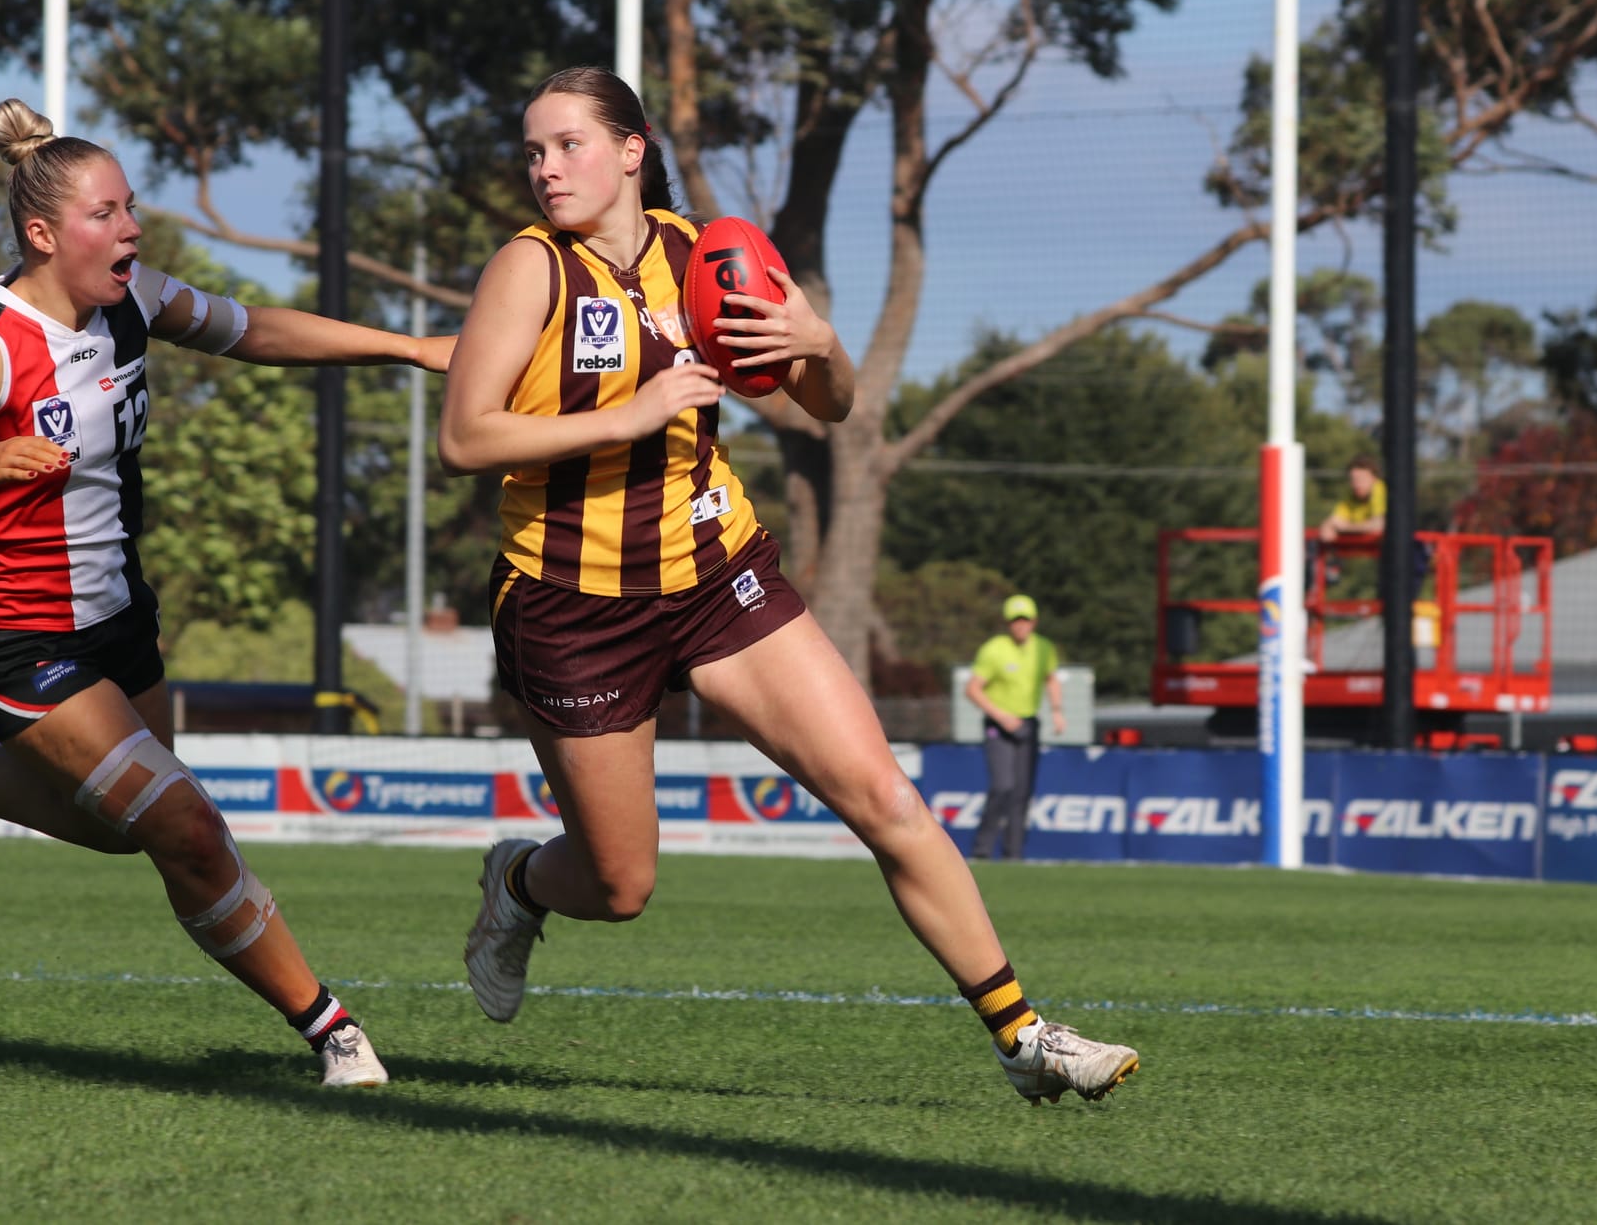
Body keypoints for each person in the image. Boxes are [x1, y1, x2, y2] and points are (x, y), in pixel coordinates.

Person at [436, 65, 1138, 1105]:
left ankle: (1024, 1037)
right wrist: (624, 417)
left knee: (884, 797)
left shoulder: (702, 252)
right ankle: (519, 879)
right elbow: (465, 436)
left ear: (631, 150)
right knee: (618, 885)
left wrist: (821, 343)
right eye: (533, 151)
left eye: (567, 144)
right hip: (570, 603)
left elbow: (830, 405)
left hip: (718, 574)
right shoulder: (528, 270)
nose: (545, 168)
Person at [0, 97, 453, 1088]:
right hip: (13, 635)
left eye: (129, 206)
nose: (131, 227)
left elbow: (254, 328)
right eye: (106, 213)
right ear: (43, 233)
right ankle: (333, 1032)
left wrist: (406, 348)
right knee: (184, 826)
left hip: (117, 619)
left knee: (112, 825)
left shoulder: (136, 301)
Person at [964, 594, 1063, 862]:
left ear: (1034, 622)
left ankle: (1014, 854)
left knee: (1022, 791)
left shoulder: (1044, 648)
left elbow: (1051, 679)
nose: (1020, 626)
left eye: (1025, 620)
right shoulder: (994, 649)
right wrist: (1000, 715)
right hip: (999, 724)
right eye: (1015, 621)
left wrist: (1057, 711)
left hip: (1028, 722)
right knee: (1003, 786)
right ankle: (982, 850)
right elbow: (972, 689)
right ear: (1007, 624)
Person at [1318, 454, 1387, 543]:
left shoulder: (1380, 489)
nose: (1356, 484)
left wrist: (1345, 527)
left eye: (1361, 479)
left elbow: (1378, 525)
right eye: (1353, 480)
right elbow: (1331, 522)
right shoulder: (1351, 495)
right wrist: (1328, 526)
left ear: (1375, 479)